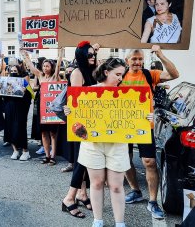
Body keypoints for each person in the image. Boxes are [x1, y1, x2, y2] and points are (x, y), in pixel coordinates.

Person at [64, 58, 154, 227]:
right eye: (117, 74)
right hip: (92, 145)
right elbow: (70, 116)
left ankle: (120, 223)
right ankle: (98, 221)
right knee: (96, 184)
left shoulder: (128, 95)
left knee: (116, 186)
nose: (121, 78)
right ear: (106, 72)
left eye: (122, 75)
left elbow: (137, 119)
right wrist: (69, 111)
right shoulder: (87, 92)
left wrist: (147, 117)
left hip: (117, 145)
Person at [121, 45, 179, 219]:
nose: (138, 62)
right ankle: (135, 190)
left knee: (149, 162)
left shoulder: (149, 74)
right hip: (122, 125)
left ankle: (153, 202)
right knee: (125, 159)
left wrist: (160, 54)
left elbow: (174, 74)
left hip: (144, 126)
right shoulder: (119, 76)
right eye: (134, 59)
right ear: (127, 61)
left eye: (140, 59)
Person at [61, 41, 98, 218]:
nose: (93, 57)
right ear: (81, 56)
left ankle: (82, 194)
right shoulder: (77, 73)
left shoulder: (92, 72)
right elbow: (77, 101)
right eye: (89, 54)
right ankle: (69, 198)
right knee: (81, 161)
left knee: (85, 160)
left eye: (94, 54)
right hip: (79, 124)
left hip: (90, 122)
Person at [22, 49, 63, 166]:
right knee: (44, 133)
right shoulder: (40, 76)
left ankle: (53, 156)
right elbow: (31, 68)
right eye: (44, 66)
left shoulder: (55, 77)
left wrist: (60, 53)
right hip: (42, 107)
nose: (45, 68)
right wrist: (25, 56)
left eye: (47, 66)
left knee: (53, 134)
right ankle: (47, 155)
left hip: (52, 110)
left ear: (52, 67)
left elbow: (59, 65)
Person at [2, 63, 33, 161]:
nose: (13, 73)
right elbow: (4, 96)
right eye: (12, 71)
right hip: (9, 108)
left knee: (20, 128)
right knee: (10, 129)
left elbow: (30, 95)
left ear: (19, 72)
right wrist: (1, 88)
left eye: (15, 71)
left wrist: (24, 91)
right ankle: (15, 150)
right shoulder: (6, 81)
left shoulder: (24, 82)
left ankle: (25, 151)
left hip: (20, 109)